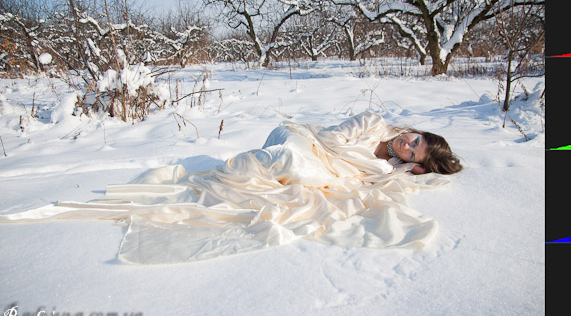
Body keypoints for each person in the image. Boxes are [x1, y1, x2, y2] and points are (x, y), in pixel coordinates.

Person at [0, 111, 461, 264]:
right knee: (291, 163)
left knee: (305, 183)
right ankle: (224, 176)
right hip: (297, 138)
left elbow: (379, 182)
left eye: (414, 151)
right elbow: (333, 140)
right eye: (415, 137)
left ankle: (239, 179)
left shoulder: (387, 170)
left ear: (412, 163)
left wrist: (401, 172)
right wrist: (358, 159)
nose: (407, 142)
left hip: (320, 165)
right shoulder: (374, 124)